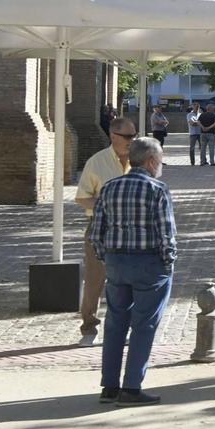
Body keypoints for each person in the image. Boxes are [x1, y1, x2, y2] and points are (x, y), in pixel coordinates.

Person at [90, 135, 176, 405]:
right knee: (144, 325)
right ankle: (131, 386)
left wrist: (106, 257)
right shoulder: (157, 189)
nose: (160, 165)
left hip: (116, 262)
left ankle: (110, 386)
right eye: (159, 161)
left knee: (115, 324)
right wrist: (168, 261)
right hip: (148, 262)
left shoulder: (109, 187)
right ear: (152, 161)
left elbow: (96, 232)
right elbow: (166, 234)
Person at [73, 116, 134, 346]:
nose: (132, 140)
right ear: (113, 136)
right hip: (101, 228)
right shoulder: (96, 162)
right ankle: (89, 329)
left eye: (134, 135)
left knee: (127, 281)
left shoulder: (139, 160)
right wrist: (107, 206)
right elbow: (81, 197)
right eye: (127, 136)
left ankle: (124, 328)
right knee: (95, 280)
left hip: (132, 230)